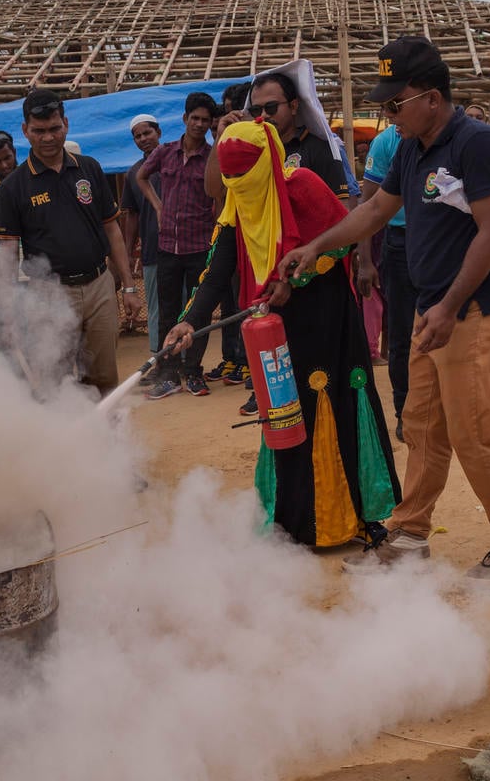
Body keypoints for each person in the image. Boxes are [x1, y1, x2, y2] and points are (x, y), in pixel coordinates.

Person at [283, 36, 490, 578]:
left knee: (473, 433)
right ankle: (408, 537)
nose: (388, 115)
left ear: (431, 97)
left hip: (472, 309)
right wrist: (318, 246)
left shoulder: (477, 142)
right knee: (421, 426)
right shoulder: (410, 146)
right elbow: (376, 210)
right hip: (434, 309)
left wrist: (449, 307)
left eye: (394, 104)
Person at [162, 119, 400, 549]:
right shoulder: (237, 203)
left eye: (244, 173)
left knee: (335, 404)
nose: (237, 183)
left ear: (267, 162)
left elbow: (343, 242)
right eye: (230, 176)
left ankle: (356, 517)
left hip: (328, 320)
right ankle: (292, 521)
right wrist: (189, 321)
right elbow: (217, 270)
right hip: (275, 329)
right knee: (285, 415)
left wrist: (299, 278)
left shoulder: (302, 185)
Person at [211, 71, 351, 416]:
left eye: (270, 108)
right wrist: (223, 139)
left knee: (320, 380)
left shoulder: (317, 150)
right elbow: (216, 191)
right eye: (255, 110)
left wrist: (295, 276)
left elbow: (343, 222)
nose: (262, 117)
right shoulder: (249, 150)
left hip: (314, 283)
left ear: (294, 105)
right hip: (264, 284)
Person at [0, 89, 141, 395]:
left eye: (54, 128)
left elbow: (112, 229)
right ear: (25, 130)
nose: (48, 138)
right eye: (39, 131)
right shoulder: (12, 188)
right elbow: (7, 252)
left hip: (99, 286)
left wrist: (128, 286)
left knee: (103, 374)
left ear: (66, 124)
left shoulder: (89, 168)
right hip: (48, 293)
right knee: (55, 374)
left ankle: (103, 424)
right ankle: (65, 426)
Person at [137, 91, 218, 399]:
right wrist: (158, 207)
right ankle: (168, 374)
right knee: (168, 313)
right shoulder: (165, 152)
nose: (199, 124)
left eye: (205, 120)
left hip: (200, 246)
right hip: (168, 247)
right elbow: (142, 177)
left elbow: (220, 193)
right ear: (184, 119)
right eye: (194, 118)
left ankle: (193, 372)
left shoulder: (212, 157)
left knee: (198, 313)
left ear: (210, 124)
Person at [357, 123, 413, 441]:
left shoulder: (455, 138)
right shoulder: (385, 143)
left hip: (442, 242)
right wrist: (365, 260)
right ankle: (404, 413)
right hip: (399, 242)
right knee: (401, 336)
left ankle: (444, 408)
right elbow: (369, 205)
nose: (393, 114)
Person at [203, 83, 251, 388]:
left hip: (256, 241)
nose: (228, 117)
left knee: (249, 305)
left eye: (233, 110)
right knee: (232, 304)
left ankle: (249, 362)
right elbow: (213, 189)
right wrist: (221, 137)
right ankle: (236, 358)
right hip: (231, 237)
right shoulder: (225, 147)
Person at [120, 113, 163, 355]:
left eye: (147, 133)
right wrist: (127, 252)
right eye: (138, 136)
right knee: (156, 308)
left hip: (183, 249)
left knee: (185, 305)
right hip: (152, 251)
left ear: (159, 132)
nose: (143, 139)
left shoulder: (175, 162)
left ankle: (188, 362)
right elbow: (132, 215)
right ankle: (159, 358)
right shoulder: (133, 173)